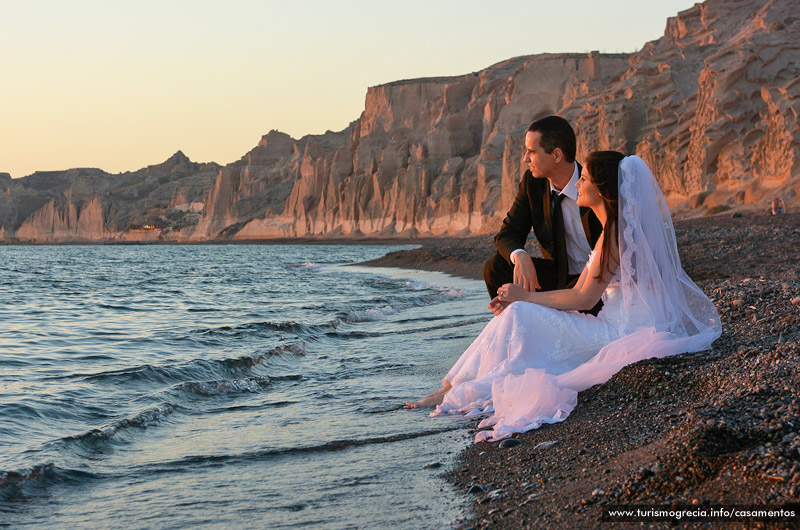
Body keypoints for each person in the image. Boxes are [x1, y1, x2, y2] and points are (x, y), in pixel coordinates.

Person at [406, 152, 721, 442]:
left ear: (603, 188)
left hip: (618, 333)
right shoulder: (615, 229)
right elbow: (577, 292)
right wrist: (521, 297)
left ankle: (454, 390)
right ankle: (452, 388)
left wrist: (524, 298)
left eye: (585, 180)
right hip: (616, 322)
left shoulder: (614, 234)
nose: (579, 183)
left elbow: (583, 299)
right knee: (518, 312)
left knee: (519, 314)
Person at [484, 116, 603, 317]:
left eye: (531, 152)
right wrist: (519, 255)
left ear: (557, 155)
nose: (525, 159)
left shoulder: (593, 185)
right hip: (557, 277)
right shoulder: (533, 183)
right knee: (495, 267)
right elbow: (507, 234)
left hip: (595, 280)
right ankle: (518, 326)